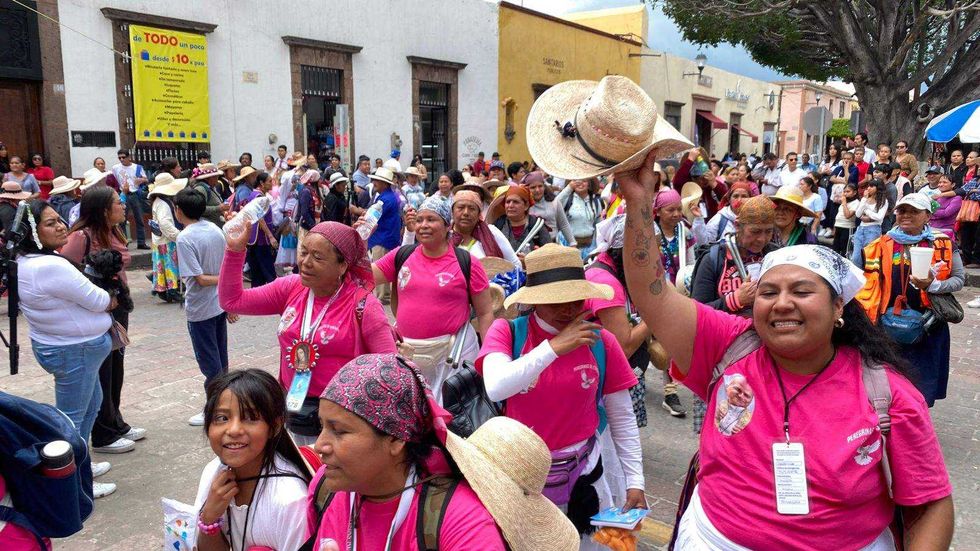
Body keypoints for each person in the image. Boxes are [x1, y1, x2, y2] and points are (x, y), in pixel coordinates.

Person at [616, 152, 953, 549]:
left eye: (802, 291)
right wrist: (639, 203)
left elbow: (930, 504)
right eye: (769, 292)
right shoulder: (728, 343)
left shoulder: (887, 394)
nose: (781, 303)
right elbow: (651, 294)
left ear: (838, 307)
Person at [476, 244, 647, 543]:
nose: (568, 310)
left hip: (586, 475)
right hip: (521, 477)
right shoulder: (508, 332)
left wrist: (636, 481)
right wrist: (554, 348)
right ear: (535, 301)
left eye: (575, 300)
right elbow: (496, 385)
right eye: (556, 302)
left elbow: (622, 416)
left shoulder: (601, 342)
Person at [308, 354, 538, 551]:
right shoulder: (325, 489)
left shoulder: (462, 522)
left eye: (338, 431)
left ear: (396, 438)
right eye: (322, 426)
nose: (319, 445)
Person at [219, 220, 396, 444]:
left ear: (342, 266)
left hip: (344, 419)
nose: (305, 262)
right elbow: (232, 301)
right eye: (303, 252)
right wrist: (235, 251)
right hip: (295, 409)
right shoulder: (291, 287)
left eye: (318, 257)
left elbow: (390, 371)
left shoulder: (363, 305)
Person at [14, 199, 117, 498]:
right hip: (74, 351)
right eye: (50, 223)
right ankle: (75, 482)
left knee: (89, 408)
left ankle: (81, 461)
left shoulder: (27, 262)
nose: (61, 226)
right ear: (31, 232)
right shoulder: (49, 266)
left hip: (70, 349)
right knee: (70, 421)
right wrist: (110, 301)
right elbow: (99, 300)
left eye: (60, 219)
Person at [372, 197, 493, 401]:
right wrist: (360, 239)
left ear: (448, 226)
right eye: (419, 220)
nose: (423, 225)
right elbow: (363, 276)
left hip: (453, 356)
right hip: (408, 354)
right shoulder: (401, 256)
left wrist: (488, 355)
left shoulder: (467, 262)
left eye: (431, 219)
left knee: (451, 421)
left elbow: (485, 312)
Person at [855, 192, 965, 407]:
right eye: (902, 210)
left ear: (928, 216)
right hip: (887, 325)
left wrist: (933, 285)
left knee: (922, 383)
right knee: (887, 381)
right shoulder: (878, 244)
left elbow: (959, 279)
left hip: (928, 326)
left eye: (914, 211)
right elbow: (859, 278)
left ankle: (916, 421)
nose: (906, 215)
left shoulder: (943, 243)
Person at [62, 186, 146, 455]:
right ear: (102, 209)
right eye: (116, 202)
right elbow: (66, 273)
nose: (122, 205)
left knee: (116, 365)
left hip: (116, 306)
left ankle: (115, 422)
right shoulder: (80, 237)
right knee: (103, 370)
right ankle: (103, 433)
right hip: (97, 310)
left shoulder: (113, 232)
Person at [194, 369, 311, 550]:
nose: (233, 430)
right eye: (222, 418)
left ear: (275, 426)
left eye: (250, 418)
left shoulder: (290, 500)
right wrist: (209, 517)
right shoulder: (213, 472)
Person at [174, 188, 236, 426]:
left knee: (210, 363)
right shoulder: (215, 229)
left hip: (200, 308)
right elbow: (225, 267)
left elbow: (199, 279)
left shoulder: (185, 237)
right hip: (218, 304)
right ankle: (226, 402)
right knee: (220, 359)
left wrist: (224, 282)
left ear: (179, 211)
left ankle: (215, 410)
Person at [691, 195, 777, 318]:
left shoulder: (774, 255)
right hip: (725, 333)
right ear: (737, 226)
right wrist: (736, 299)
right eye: (755, 231)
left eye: (768, 231)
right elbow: (696, 313)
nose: (762, 239)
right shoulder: (714, 259)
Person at [446, 184, 520, 268]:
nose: (466, 213)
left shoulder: (492, 232)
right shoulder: (444, 236)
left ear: (479, 214)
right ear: (452, 212)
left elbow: (516, 265)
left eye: (472, 208)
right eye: (461, 207)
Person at [365, 167, 402, 304]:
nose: (374, 182)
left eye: (377, 181)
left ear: (384, 183)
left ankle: (383, 296)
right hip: (389, 236)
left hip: (383, 237)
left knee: (380, 267)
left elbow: (373, 218)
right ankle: (385, 295)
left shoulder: (385, 199)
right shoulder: (390, 196)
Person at [148, 174, 187, 303]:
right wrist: (178, 235)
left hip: (160, 240)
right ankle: (172, 290)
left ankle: (164, 288)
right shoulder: (163, 204)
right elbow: (165, 224)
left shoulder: (159, 201)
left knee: (164, 265)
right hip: (166, 240)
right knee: (170, 265)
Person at [488, 185, 553, 256]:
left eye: (515, 202)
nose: (510, 205)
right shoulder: (498, 225)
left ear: (526, 206)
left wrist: (532, 258)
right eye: (508, 202)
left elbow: (550, 254)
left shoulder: (536, 225)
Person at [242, 172, 279, 287]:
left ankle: (257, 298)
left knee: (257, 273)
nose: (272, 184)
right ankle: (276, 297)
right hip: (261, 239)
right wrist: (271, 236)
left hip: (254, 238)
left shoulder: (253, 194)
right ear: (262, 183)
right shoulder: (259, 197)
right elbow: (259, 218)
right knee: (268, 271)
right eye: (269, 181)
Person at [111, 149, 149, 249]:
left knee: (139, 218)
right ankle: (123, 242)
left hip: (135, 193)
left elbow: (146, 179)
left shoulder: (137, 167)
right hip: (123, 194)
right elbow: (113, 180)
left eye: (123, 157)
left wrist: (140, 180)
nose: (121, 159)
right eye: (119, 158)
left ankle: (141, 242)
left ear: (129, 157)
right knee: (121, 219)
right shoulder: (115, 168)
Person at [674, 148, 729, 218]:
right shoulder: (685, 183)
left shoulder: (711, 183)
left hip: (710, 225)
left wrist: (715, 184)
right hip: (690, 224)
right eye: (693, 165)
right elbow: (677, 182)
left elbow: (727, 199)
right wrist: (690, 160)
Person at [557, 178, 605, 258]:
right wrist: (569, 188)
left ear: (589, 184)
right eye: (576, 181)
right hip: (568, 246)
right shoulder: (568, 199)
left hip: (589, 247)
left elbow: (598, 224)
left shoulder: (596, 202)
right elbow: (555, 205)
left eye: (584, 181)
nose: (580, 183)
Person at [525, 171, 574, 245]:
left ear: (544, 186)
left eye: (540, 186)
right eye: (533, 187)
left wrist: (572, 242)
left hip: (553, 244)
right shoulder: (524, 205)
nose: (537, 190)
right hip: (532, 246)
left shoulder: (554, 202)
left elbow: (563, 224)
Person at [850, 179, 889, 266]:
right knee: (856, 258)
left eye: (871, 186)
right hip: (860, 229)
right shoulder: (865, 199)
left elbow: (879, 217)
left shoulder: (883, 201)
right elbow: (858, 214)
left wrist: (867, 211)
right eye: (868, 186)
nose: (868, 188)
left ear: (877, 188)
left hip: (873, 229)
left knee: (868, 257)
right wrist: (864, 200)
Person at [189, 163, 229, 228]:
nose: (217, 179)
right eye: (215, 177)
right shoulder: (201, 189)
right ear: (208, 178)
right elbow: (198, 209)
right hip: (206, 228)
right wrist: (219, 208)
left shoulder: (211, 187)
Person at [930, 175, 962, 240]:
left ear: (953, 184)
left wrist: (931, 210)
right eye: (939, 182)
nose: (941, 184)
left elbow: (946, 213)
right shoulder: (936, 197)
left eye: (944, 182)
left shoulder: (957, 198)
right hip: (930, 229)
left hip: (945, 231)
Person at [832, 183, 860, 256]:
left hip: (847, 228)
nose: (845, 194)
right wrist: (834, 228)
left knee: (845, 250)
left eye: (848, 192)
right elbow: (838, 216)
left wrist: (844, 203)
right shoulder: (845, 202)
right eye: (844, 191)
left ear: (854, 192)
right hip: (838, 226)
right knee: (835, 249)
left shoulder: (856, 203)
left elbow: (847, 215)